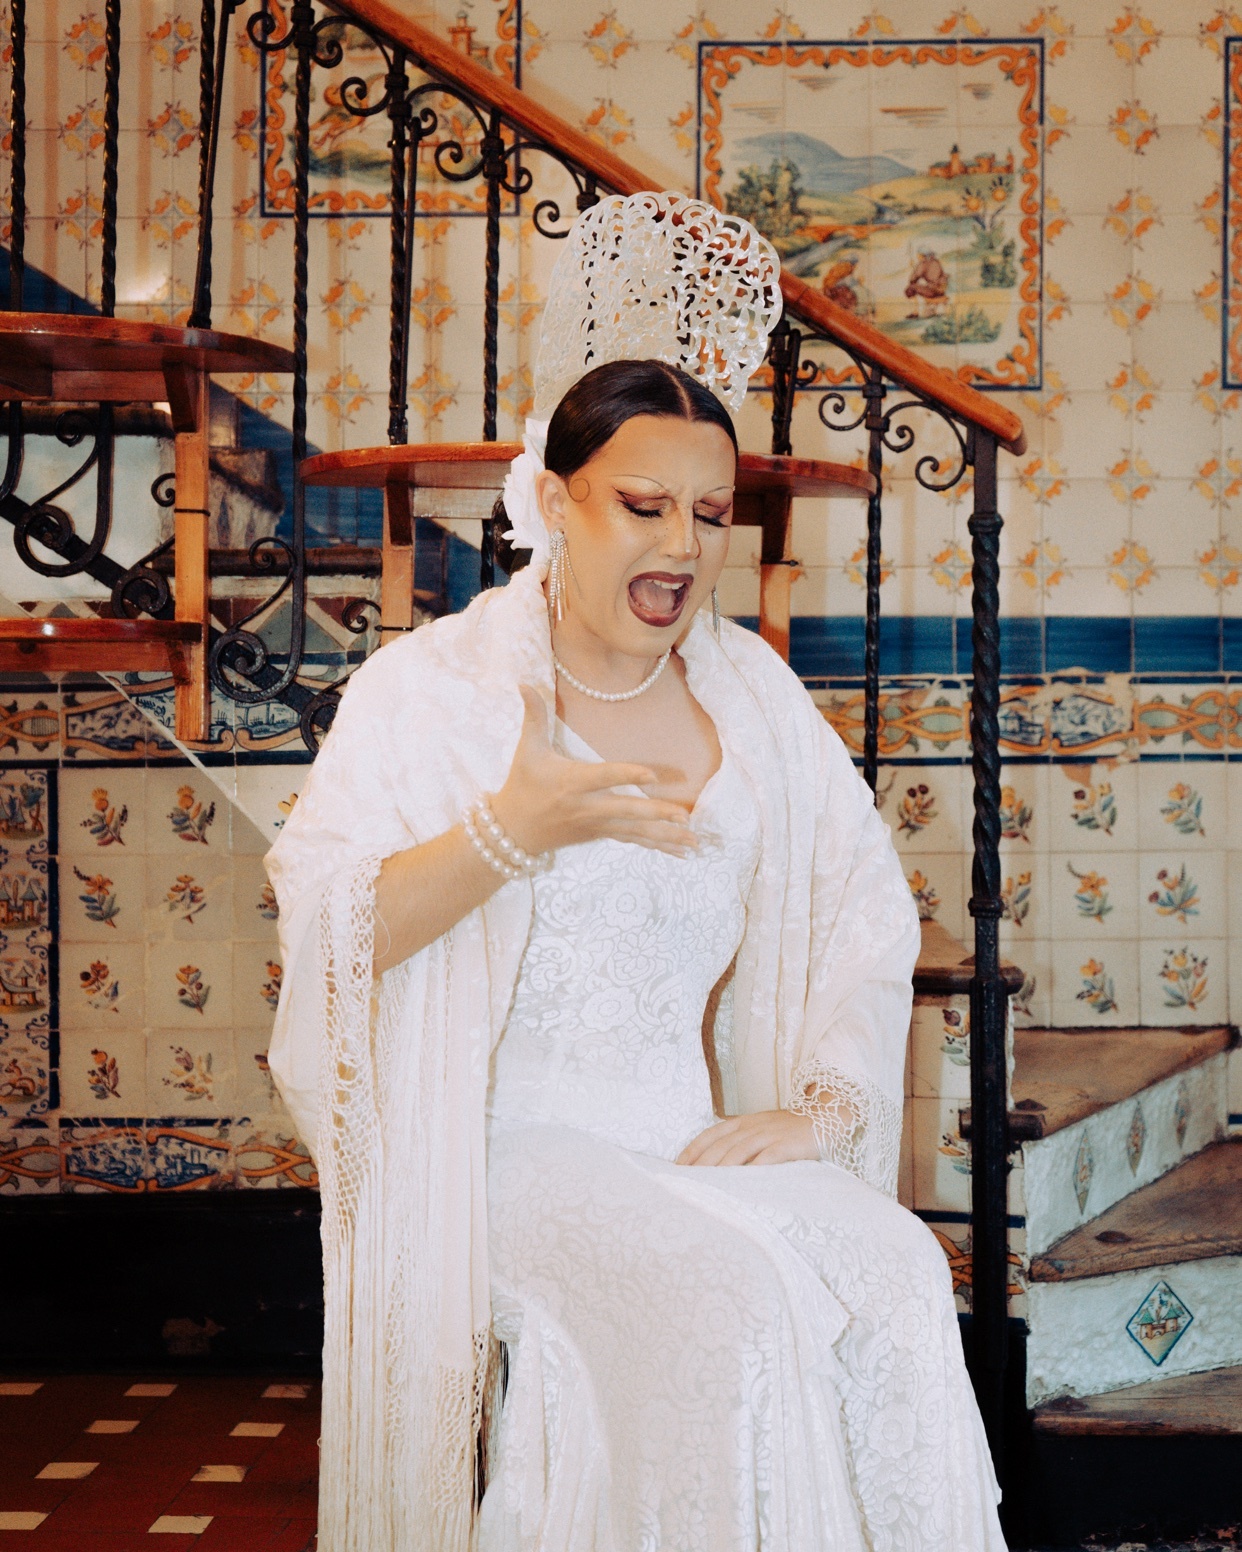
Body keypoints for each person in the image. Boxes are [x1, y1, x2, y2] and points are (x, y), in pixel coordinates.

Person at [265, 192, 1005, 1552]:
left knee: (897, 1273)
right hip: (497, 1149)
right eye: (642, 505)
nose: (681, 546)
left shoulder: (751, 694)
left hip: (679, 1130)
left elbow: (863, 912)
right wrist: (511, 831)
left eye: (710, 514)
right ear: (554, 500)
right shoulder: (430, 693)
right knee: (728, 1304)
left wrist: (827, 1106)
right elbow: (326, 935)